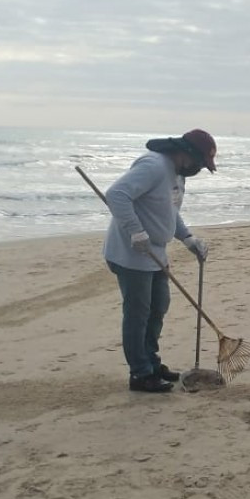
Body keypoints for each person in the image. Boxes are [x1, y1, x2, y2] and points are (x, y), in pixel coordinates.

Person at [103, 129, 217, 393]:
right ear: (186, 153)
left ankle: (152, 363)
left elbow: (169, 211)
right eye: (200, 162)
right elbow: (116, 194)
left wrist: (187, 238)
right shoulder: (153, 166)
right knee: (138, 313)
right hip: (131, 254)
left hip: (156, 254)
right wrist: (135, 230)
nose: (199, 168)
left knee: (158, 307)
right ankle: (140, 374)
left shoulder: (177, 174)